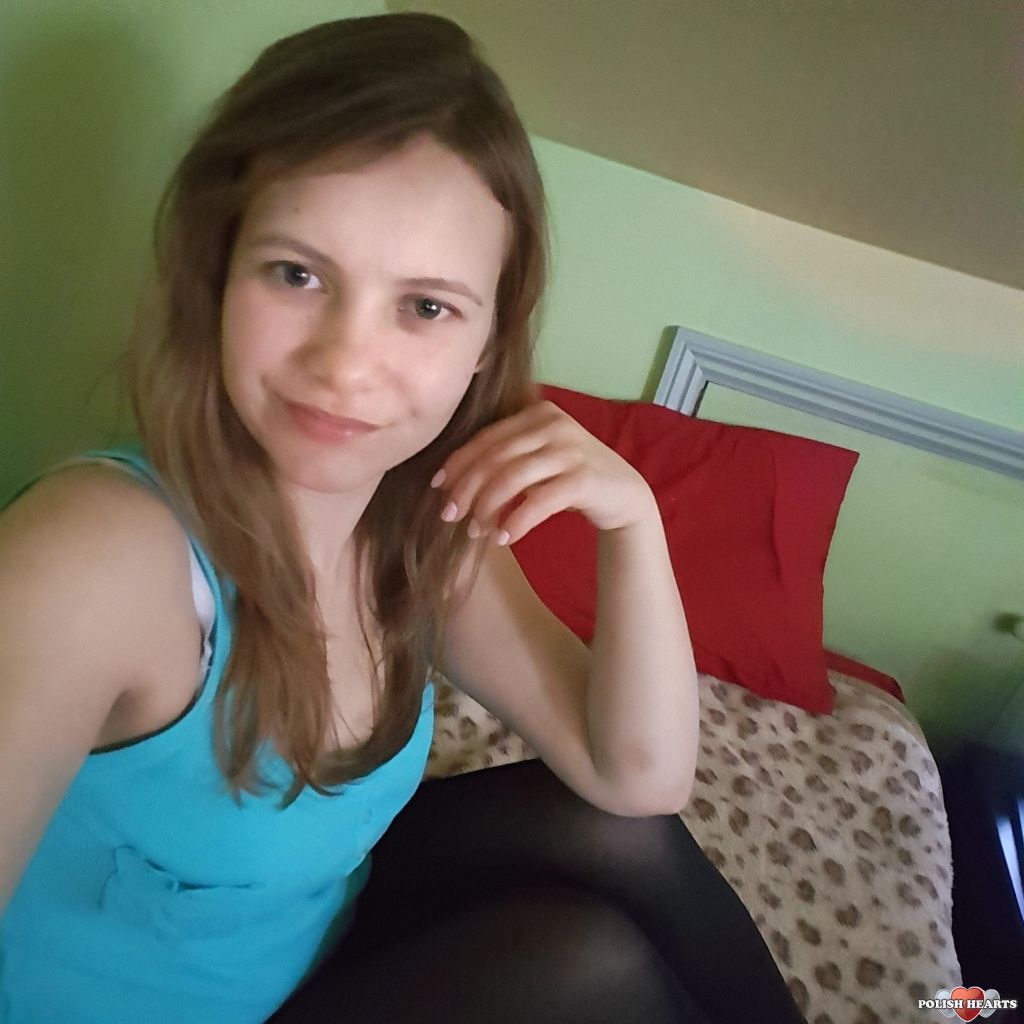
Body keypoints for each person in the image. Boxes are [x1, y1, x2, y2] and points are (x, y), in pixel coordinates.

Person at [0, 13, 807, 1024]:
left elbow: (636, 778)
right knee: (586, 969)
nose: (346, 364)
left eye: (425, 307)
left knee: (616, 840)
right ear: (217, 275)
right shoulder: (94, 557)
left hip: (306, 943)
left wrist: (633, 522)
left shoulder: (418, 525)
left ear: (486, 343)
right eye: (297, 274)